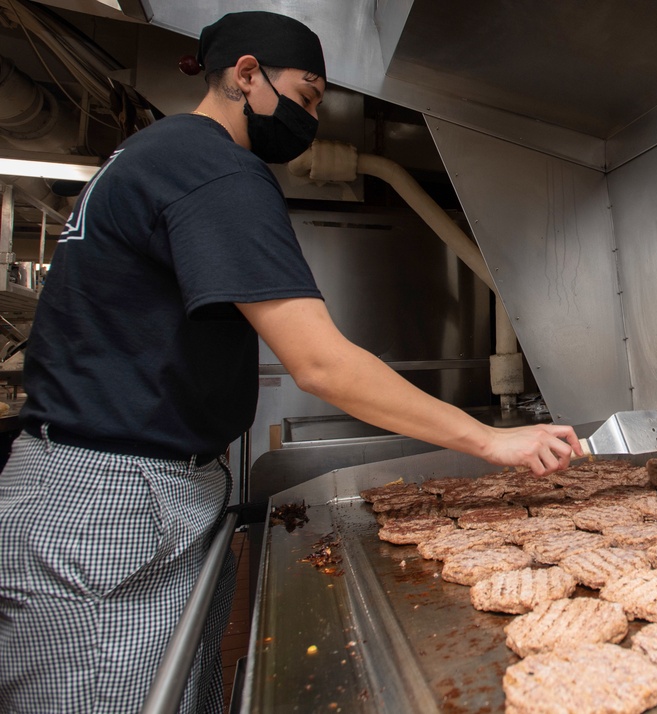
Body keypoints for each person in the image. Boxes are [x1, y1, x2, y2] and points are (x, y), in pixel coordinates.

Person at [0, 10, 580, 713]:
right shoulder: (214, 167)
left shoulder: (154, 154)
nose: (311, 118)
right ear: (247, 75)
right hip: (114, 503)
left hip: (109, 486)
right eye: (306, 96)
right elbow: (321, 364)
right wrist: (488, 437)